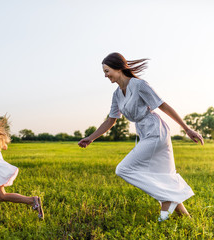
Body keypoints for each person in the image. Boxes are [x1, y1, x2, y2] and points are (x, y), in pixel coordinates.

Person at [78, 52, 204, 222]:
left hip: (156, 132)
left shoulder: (139, 85)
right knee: (166, 177)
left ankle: (167, 199)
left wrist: (187, 129)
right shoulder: (116, 94)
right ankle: (189, 222)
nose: (105, 75)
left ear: (118, 68)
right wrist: (90, 138)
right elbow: (110, 121)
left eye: (107, 71)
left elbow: (163, 106)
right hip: (145, 134)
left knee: (123, 169)